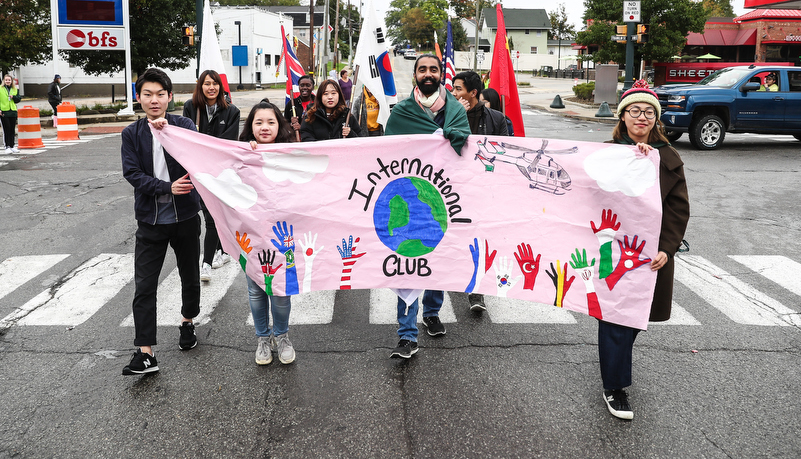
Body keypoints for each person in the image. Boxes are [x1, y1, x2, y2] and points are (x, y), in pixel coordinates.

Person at [600, 80, 689, 419]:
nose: (642, 117)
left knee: (634, 318)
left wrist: (668, 248)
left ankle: (614, 364)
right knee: (615, 318)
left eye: (649, 112)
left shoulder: (667, 156)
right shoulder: (605, 155)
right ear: (622, 117)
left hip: (651, 257)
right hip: (612, 251)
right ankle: (614, 386)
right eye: (635, 111)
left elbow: (679, 208)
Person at [383, 54, 471, 358]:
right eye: (423, 69)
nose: (429, 74)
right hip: (409, 197)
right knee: (408, 263)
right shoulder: (403, 112)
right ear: (415, 76)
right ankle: (406, 335)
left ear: (440, 74)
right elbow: (385, 152)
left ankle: (432, 312)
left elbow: (465, 149)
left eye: (434, 69)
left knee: (438, 259)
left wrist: (452, 138)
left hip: (444, 199)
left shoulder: (456, 110)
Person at [120, 68, 202, 375]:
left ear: (170, 97)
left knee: (190, 276)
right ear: (138, 97)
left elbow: (198, 159)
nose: (154, 100)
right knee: (144, 285)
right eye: (147, 94)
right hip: (150, 222)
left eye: (160, 94)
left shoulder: (183, 125)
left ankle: (188, 321)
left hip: (185, 218)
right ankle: (145, 352)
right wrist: (165, 187)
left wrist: (169, 134)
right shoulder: (131, 134)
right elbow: (133, 174)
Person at [238, 100, 298, 365]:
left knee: (281, 289)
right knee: (256, 290)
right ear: (250, 126)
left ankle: (282, 336)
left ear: (279, 125)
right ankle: (263, 339)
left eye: (271, 122)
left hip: (283, 235)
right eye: (258, 122)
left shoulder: (291, 155)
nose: (265, 127)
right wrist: (245, 154)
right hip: (252, 234)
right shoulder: (240, 155)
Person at [451, 71, 509, 313]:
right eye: (452, 89)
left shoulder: (496, 119)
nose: (453, 93)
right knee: (454, 240)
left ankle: (477, 292)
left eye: (458, 89)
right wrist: (456, 117)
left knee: (481, 240)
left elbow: (505, 151)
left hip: (484, 190)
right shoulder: (446, 115)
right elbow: (434, 144)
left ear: (472, 93)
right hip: (452, 190)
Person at [183, 70, 240, 283]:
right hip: (196, 171)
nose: (211, 88)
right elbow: (186, 136)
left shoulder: (231, 111)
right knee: (207, 216)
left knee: (212, 217)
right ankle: (222, 251)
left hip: (219, 173)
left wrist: (204, 144)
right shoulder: (191, 107)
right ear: (201, 86)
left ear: (220, 87)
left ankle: (205, 264)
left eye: (215, 84)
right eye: (207, 83)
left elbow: (228, 141)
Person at [0, 74, 21, 154]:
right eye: (6, 80)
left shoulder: (14, 89)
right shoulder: (0, 89)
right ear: (4, 81)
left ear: (11, 81)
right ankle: (7, 146)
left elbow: (18, 99)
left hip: (13, 111)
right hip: (4, 111)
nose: (8, 81)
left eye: (9, 80)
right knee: (7, 129)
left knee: (12, 130)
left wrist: (14, 97)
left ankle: (12, 146)